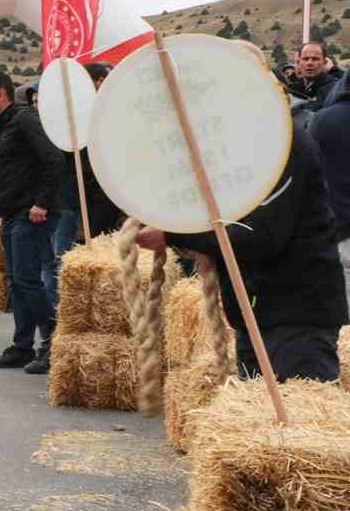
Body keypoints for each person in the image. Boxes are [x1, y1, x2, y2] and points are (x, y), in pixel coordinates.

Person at [136, 131, 347, 382]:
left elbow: (261, 237)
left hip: (297, 317)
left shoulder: (285, 144)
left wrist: (175, 235)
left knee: (295, 415)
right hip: (256, 312)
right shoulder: (244, 145)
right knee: (255, 412)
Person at [0, 72, 63, 374]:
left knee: (28, 281)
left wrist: (41, 202)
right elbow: (8, 179)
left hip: (32, 214)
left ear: (1, 94)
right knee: (17, 283)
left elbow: (54, 158)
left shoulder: (25, 119)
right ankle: (22, 345)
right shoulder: (2, 127)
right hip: (12, 214)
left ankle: (54, 343)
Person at [294, 41, 341, 112]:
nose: (309, 63)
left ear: (324, 63)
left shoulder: (335, 90)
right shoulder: (291, 90)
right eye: (305, 59)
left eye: (315, 59)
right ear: (298, 63)